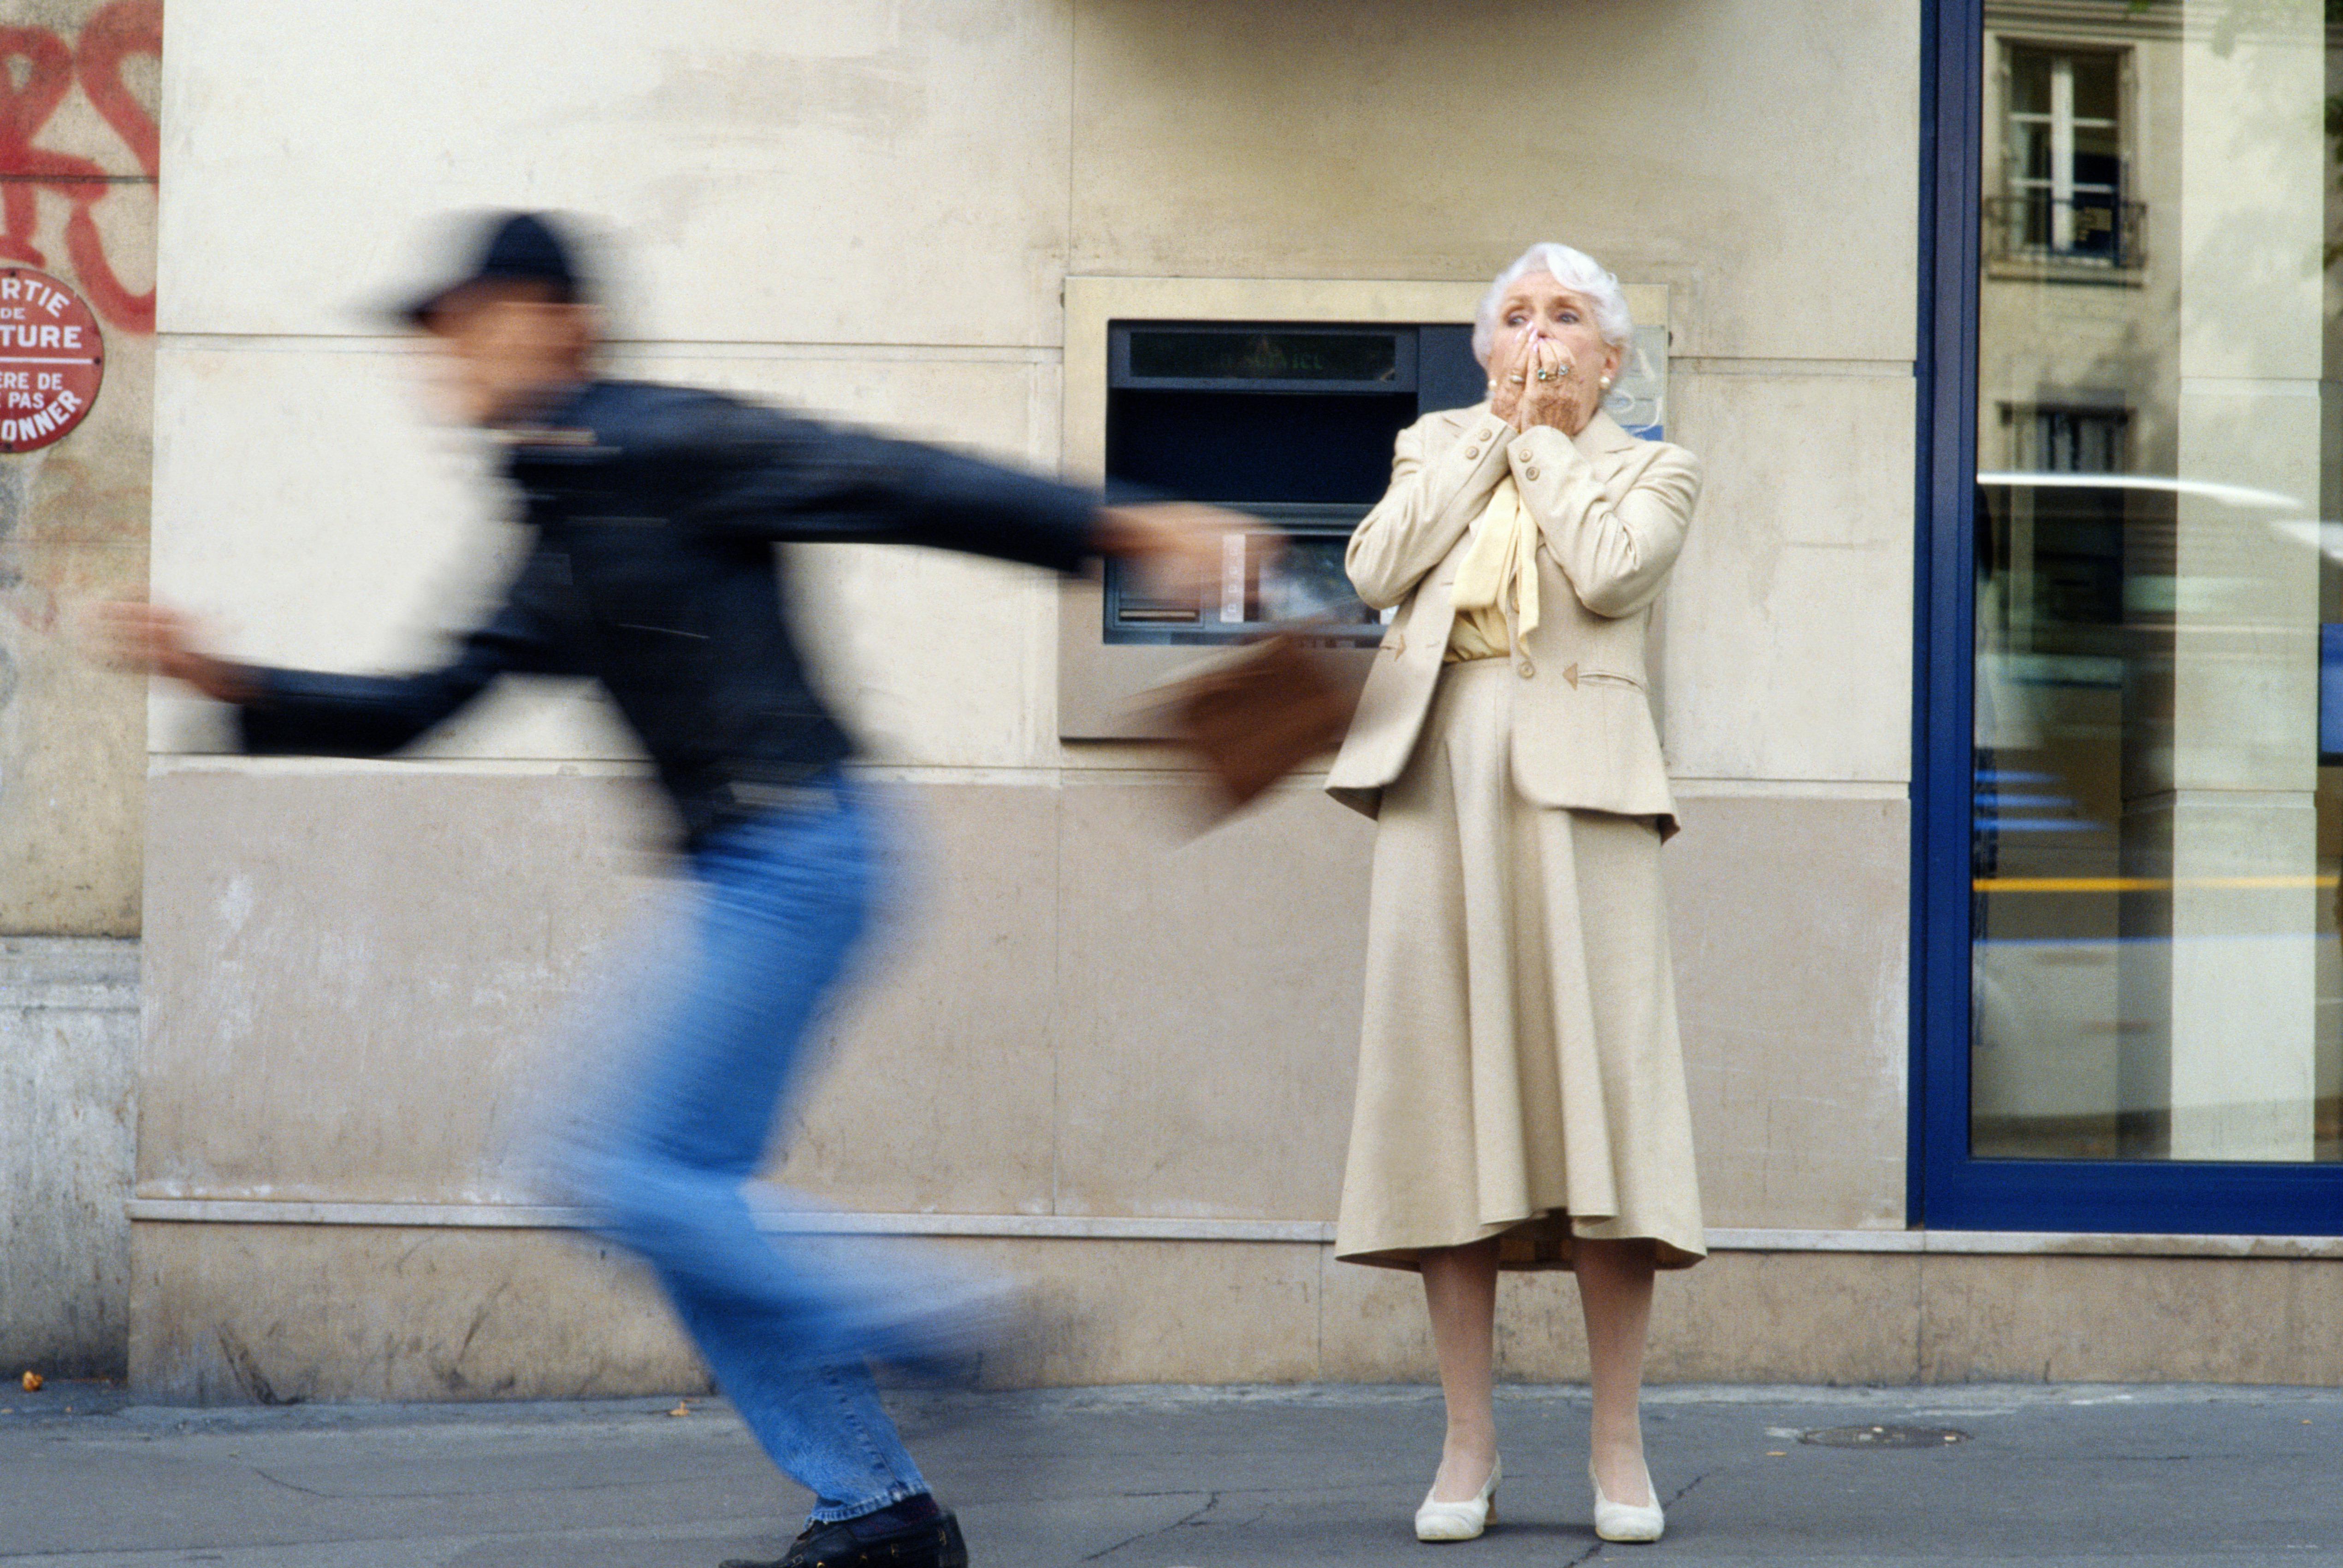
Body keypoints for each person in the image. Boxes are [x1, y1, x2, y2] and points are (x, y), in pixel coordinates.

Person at [95, 211, 1239, 1568]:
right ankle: (875, 1510)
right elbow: (423, 704)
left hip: (806, 846)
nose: (444, 350)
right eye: (435, 328)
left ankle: (942, 1324)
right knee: (678, 1195)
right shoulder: (558, 520)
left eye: (475, 316)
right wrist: (234, 682)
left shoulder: (661, 441)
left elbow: (883, 478)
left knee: (609, 1164)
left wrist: (1115, 526)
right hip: (751, 869)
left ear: (562, 323)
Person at [1322, 242, 1707, 1546]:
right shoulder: (1433, 441)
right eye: (1516, 317)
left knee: (1597, 1108)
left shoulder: (1651, 464)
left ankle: (1617, 1441)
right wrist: (1492, 437)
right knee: (1447, 1104)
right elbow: (1377, 569)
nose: (1538, 337)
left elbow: (1607, 572)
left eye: (1567, 320)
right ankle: (1465, 1441)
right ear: (1484, 348)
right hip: (1438, 786)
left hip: (1584, 798)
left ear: (1609, 358)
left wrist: (1542, 443)